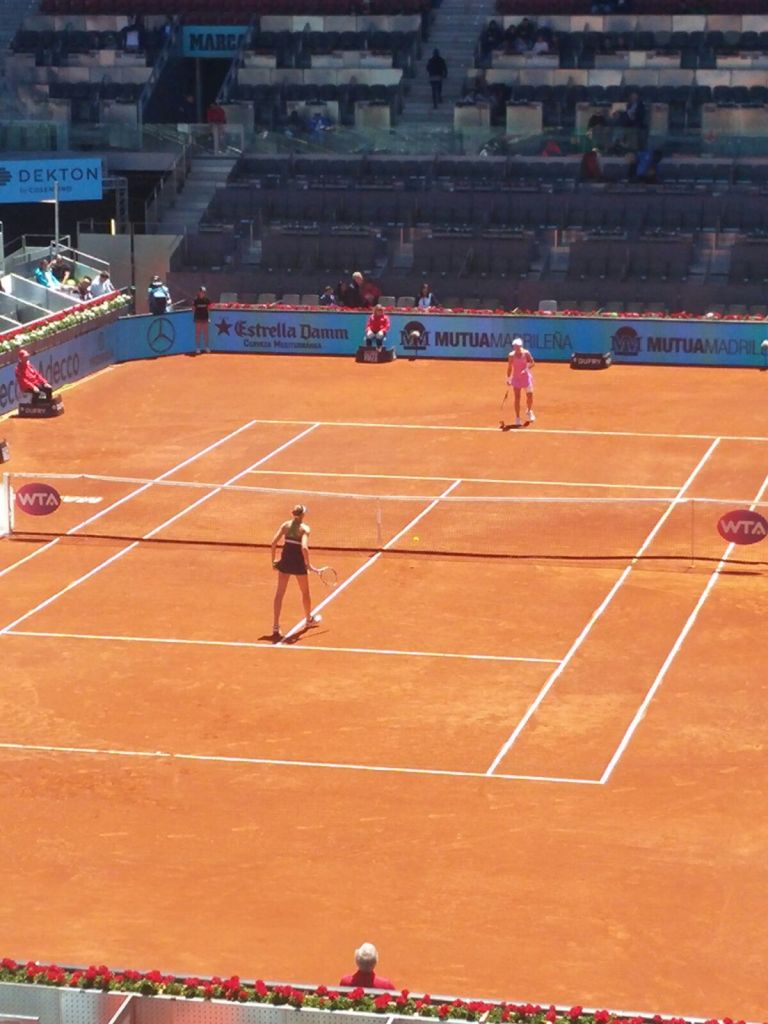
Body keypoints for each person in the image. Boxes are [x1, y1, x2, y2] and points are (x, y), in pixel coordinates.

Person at [270, 504, 322, 640]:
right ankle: (308, 619)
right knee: (305, 592)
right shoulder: (305, 529)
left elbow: (273, 543)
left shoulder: (285, 525)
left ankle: (275, 626)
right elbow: (304, 548)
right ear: (303, 515)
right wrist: (308, 564)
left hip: (285, 561)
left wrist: (273, 561)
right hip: (298, 563)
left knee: (279, 593)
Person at [506, 337, 535, 426]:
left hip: (526, 378)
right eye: (515, 346)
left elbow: (532, 363)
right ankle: (517, 418)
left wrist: (526, 369)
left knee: (530, 396)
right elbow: (509, 368)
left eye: (518, 346)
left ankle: (529, 411)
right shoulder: (511, 355)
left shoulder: (526, 353)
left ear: (521, 346)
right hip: (516, 378)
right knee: (517, 398)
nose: (516, 348)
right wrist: (508, 379)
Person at [192, 285, 212, 354]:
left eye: (204, 292)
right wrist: (194, 317)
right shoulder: (195, 300)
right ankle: (198, 348)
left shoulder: (207, 300)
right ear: (199, 292)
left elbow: (208, 309)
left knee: (205, 333)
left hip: (205, 318)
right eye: (202, 292)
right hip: (198, 318)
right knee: (198, 333)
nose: (203, 293)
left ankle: (207, 347)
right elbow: (193, 309)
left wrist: (209, 318)